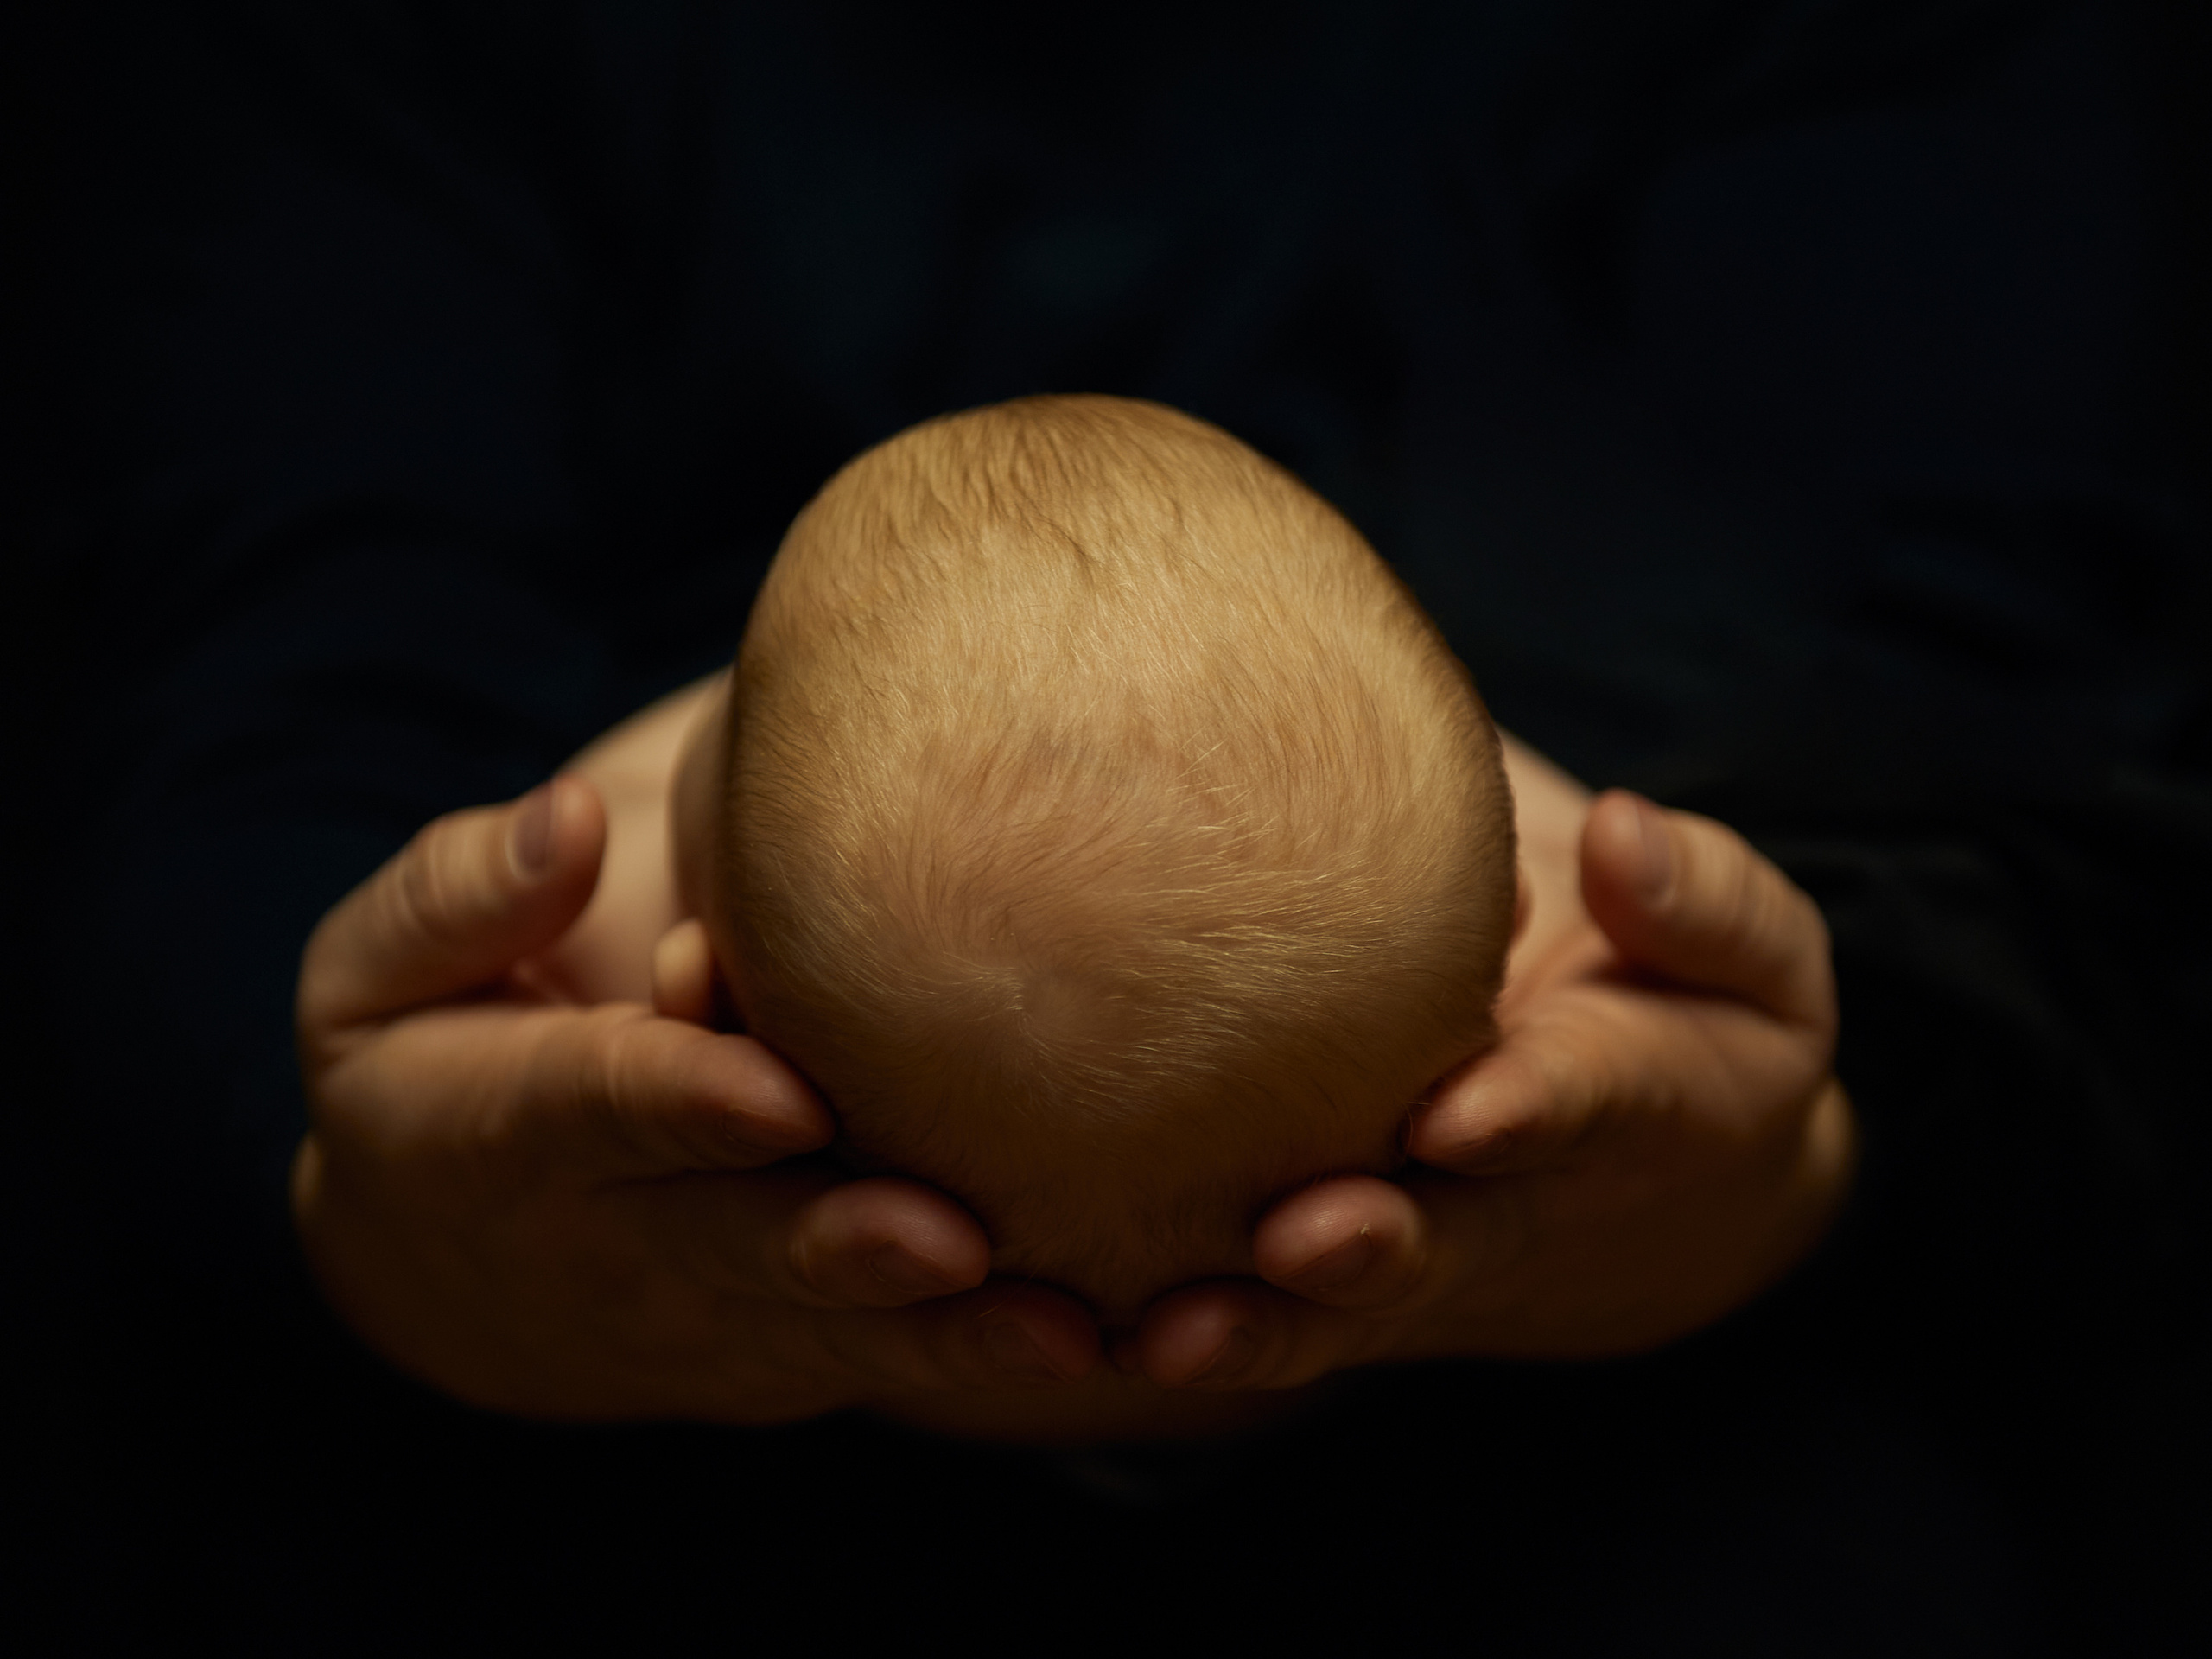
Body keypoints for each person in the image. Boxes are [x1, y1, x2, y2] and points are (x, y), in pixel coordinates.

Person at [19, 0, 2202, 1647]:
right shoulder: (376, 65)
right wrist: (350, 1196)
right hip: (506, 1434)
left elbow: (2035, 695)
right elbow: (237, 672)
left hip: (1703, 1395)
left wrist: (1809, 1130)